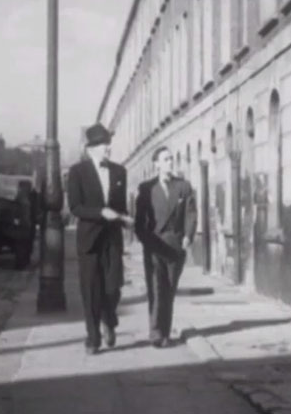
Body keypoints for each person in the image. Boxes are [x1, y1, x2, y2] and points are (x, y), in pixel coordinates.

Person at [67, 123, 133, 355]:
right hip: (89, 241)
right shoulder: (77, 172)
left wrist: (125, 218)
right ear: (91, 148)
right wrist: (99, 213)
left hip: (112, 239)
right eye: (104, 145)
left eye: (108, 144)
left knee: (113, 288)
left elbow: (121, 206)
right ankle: (92, 338)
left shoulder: (119, 172)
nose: (108, 149)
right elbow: (75, 207)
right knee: (91, 289)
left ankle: (109, 319)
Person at [134, 145, 197, 348]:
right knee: (155, 288)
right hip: (154, 244)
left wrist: (188, 236)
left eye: (171, 158)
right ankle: (155, 332)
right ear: (157, 164)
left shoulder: (183, 187)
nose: (170, 162)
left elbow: (191, 214)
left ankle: (166, 332)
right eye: (166, 159)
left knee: (169, 289)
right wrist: (146, 240)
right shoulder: (146, 188)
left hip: (175, 246)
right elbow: (139, 221)